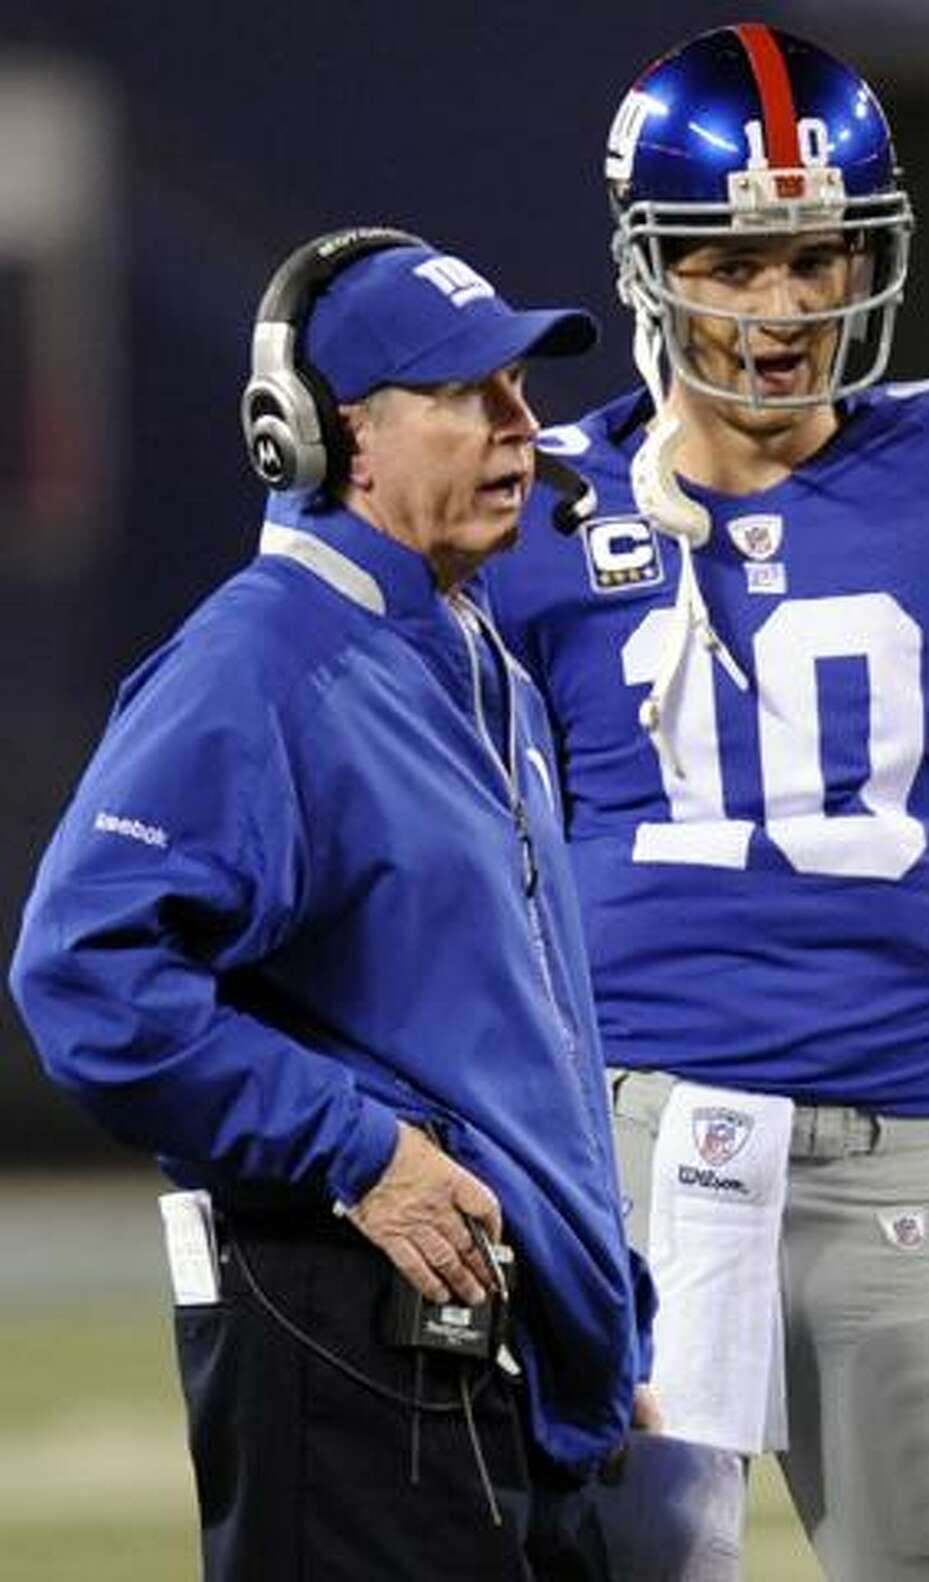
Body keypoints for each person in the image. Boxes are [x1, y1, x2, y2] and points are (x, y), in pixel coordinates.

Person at [486, 25, 929, 1582]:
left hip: (890, 1168)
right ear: (659, 262)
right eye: (740, 259)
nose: (784, 308)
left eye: (819, 256)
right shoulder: (543, 512)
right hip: (628, 1166)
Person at [8, 225, 658, 1582]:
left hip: (492, 1374)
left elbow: (510, 1040)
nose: (518, 428)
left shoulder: (474, 656)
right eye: (467, 394)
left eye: (521, 392)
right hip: (356, 1350)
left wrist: (594, 1333)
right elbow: (85, 971)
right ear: (330, 435)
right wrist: (353, 1146)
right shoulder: (263, 661)